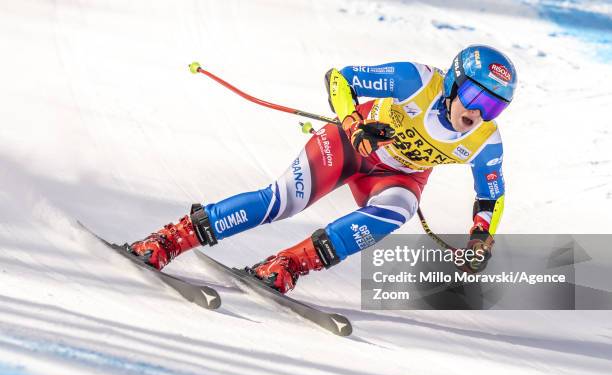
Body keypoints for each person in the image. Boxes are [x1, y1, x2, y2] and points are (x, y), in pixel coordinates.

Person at [127, 44, 517, 293]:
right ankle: (170, 239)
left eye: (493, 106)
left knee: (400, 208)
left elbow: (491, 194)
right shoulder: (416, 80)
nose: (477, 113)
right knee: (285, 201)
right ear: (453, 83)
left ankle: (287, 264)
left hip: (398, 176)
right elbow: (339, 79)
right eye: (472, 96)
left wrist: (480, 238)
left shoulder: (485, 140)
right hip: (348, 145)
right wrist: (353, 123)